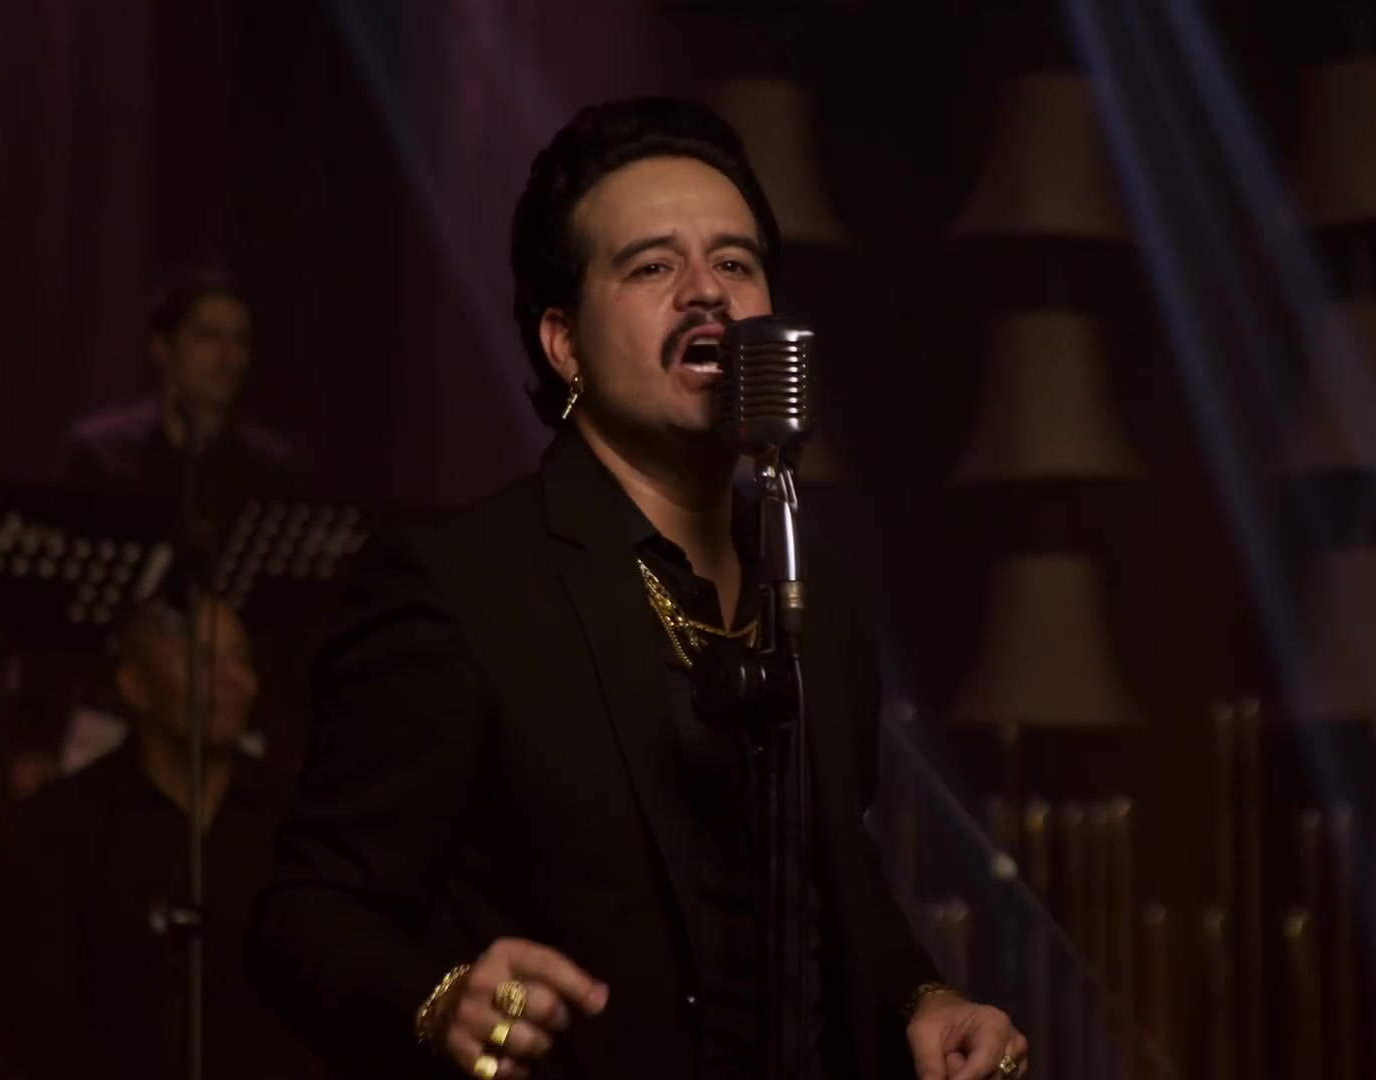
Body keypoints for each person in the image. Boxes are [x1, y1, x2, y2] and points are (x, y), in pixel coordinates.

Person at [247, 98, 1026, 1080]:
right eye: (653, 267)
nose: (707, 293)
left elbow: (828, 880)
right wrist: (441, 999)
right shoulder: (461, 587)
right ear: (563, 342)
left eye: (735, 263)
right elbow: (305, 916)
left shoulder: (810, 589)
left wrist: (924, 999)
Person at [0, 591, 318, 1080]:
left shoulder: (292, 815)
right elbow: (34, 1017)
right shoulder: (65, 822)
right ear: (136, 685)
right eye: (203, 661)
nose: (236, 682)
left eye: (241, 660)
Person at [60, 267, 306, 532]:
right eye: (208, 336)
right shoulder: (104, 453)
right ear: (163, 348)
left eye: (241, 340)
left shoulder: (271, 467)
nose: (229, 356)